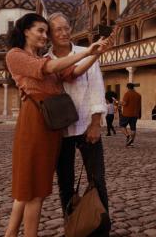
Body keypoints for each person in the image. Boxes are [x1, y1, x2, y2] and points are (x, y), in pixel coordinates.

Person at [4, 13, 109, 237]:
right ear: (25, 31)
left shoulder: (44, 57)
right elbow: (49, 68)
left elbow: (74, 72)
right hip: (35, 122)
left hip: (53, 125)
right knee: (33, 187)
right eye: (41, 31)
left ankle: (11, 233)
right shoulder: (17, 55)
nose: (45, 35)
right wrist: (88, 51)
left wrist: (93, 55)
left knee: (34, 185)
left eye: (45, 31)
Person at [47, 12, 112, 235]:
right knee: (65, 184)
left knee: (97, 181)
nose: (64, 33)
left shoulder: (86, 55)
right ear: (50, 35)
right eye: (58, 30)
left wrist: (96, 123)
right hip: (60, 130)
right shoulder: (48, 61)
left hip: (86, 125)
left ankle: (101, 229)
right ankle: (72, 226)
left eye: (66, 28)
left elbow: (96, 87)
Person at [121, 83, 142, 147]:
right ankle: (132, 142)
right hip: (135, 114)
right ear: (133, 87)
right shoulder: (138, 95)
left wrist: (118, 103)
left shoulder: (127, 94)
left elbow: (124, 103)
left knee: (122, 126)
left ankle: (128, 136)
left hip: (126, 114)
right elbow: (139, 105)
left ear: (127, 87)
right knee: (133, 128)